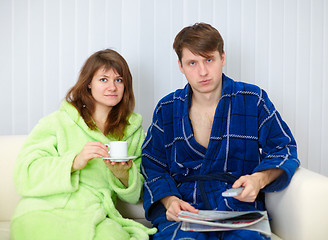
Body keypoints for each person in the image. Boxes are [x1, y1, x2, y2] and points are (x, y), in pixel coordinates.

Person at [141, 23, 300, 239]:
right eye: (192, 63)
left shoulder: (252, 99)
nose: (203, 72)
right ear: (180, 66)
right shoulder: (167, 108)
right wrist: (170, 200)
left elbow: (284, 147)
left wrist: (258, 179)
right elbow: (152, 164)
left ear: (222, 58)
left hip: (237, 204)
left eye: (209, 60)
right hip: (187, 208)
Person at [11, 49, 156, 240]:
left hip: (93, 212)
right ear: (88, 84)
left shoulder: (133, 131)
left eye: (119, 80)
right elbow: (25, 174)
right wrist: (73, 162)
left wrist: (123, 176)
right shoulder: (58, 122)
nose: (112, 87)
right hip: (45, 208)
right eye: (103, 79)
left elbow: (136, 195)